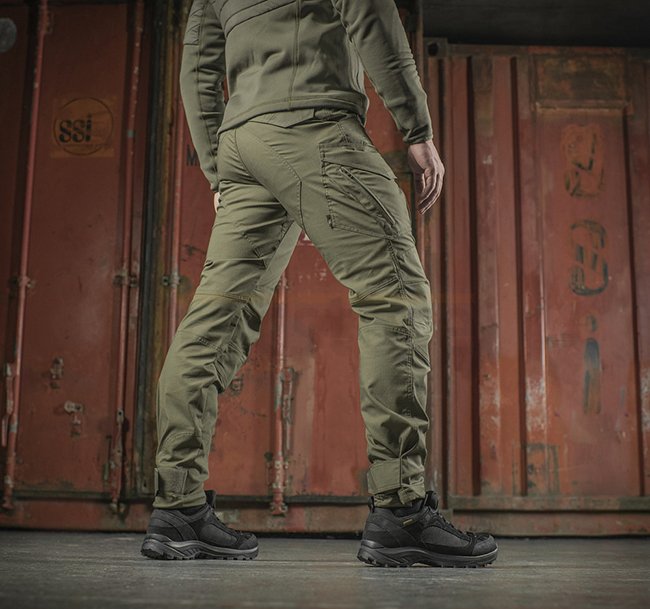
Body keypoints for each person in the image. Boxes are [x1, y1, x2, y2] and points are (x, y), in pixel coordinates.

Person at [141, 0, 498, 568]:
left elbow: (198, 67)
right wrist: (417, 127)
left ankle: (177, 507)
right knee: (396, 297)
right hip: (315, 127)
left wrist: (216, 169)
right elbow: (372, 16)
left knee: (216, 319)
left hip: (243, 147)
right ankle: (402, 510)